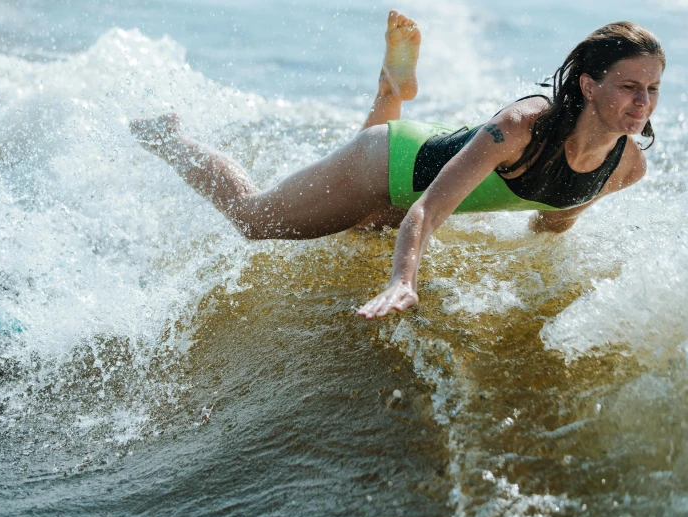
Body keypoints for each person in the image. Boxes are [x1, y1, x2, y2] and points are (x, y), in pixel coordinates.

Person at [130, 11, 665, 319]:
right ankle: (172, 138)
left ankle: (392, 84)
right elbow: (428, 211)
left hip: (424, 153)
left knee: (361, 234)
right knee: (254, 220)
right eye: (629, 87)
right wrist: (403, 280)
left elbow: (557, 215)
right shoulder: (521, 127)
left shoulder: (626, 167)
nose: (643, 102)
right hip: (386, 163)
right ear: (589, 86)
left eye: (653, 89)